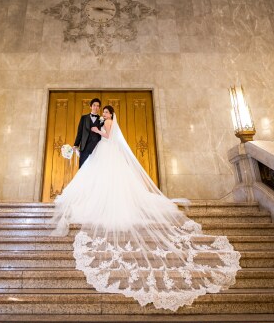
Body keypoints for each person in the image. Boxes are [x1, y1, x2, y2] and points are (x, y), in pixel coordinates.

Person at [51, 105, 241, 311]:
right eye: (103, 112)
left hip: (105, 153)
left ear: (110, 114)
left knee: (105, 181)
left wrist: (97, 131)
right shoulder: (106, 121)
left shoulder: (106, 123)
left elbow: (106, 137)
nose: (104, 114)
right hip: (108, 155)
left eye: (106, 112)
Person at [74, 98, 102, 168]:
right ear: (90, 106)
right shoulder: (84, 118)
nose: (96, 107)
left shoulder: (102, 120)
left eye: (98, 106)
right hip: (85, 147)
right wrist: (76, 145)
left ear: (99, 108)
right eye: (94, 105)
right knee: (82, 168)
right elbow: (79, 132)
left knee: (95, 169)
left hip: (97, 148)